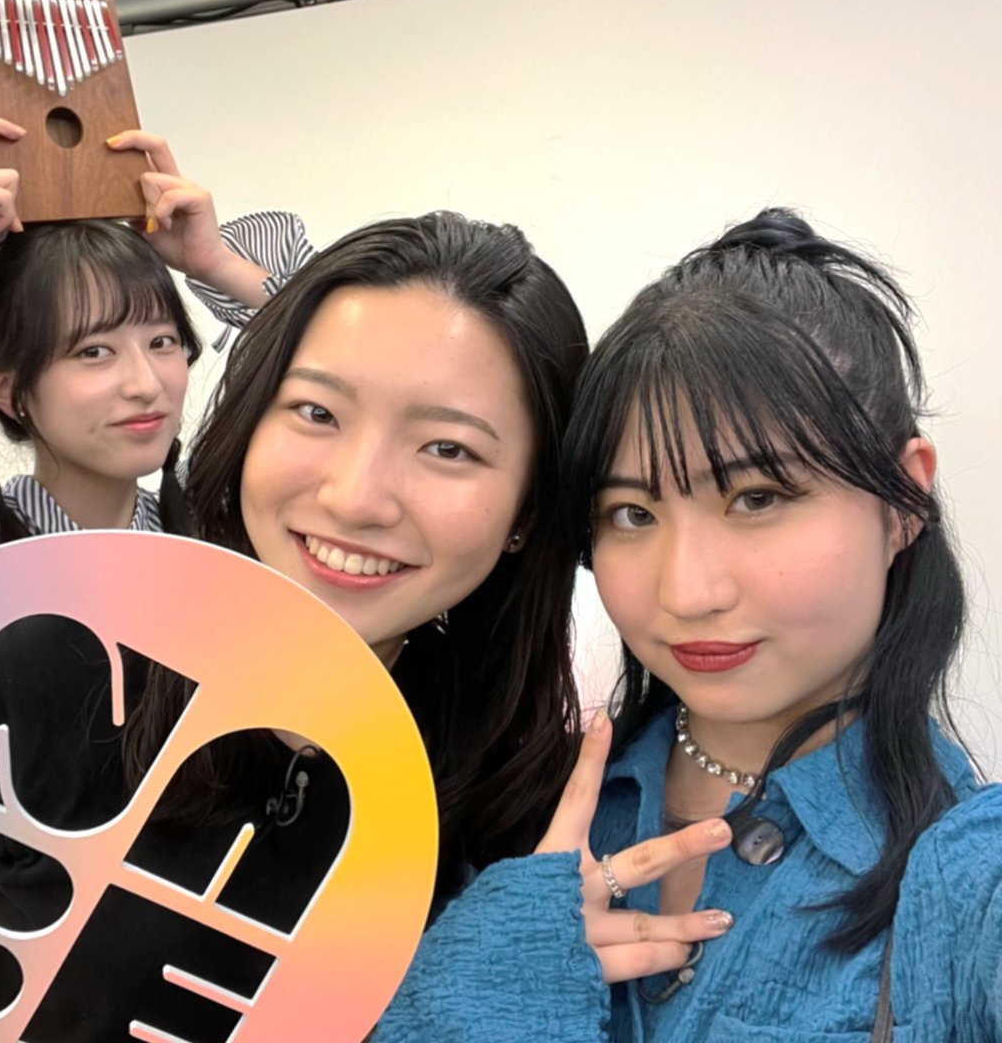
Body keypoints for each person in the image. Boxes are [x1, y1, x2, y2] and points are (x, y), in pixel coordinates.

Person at [0, 211, 736, 1041]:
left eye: (448, 448)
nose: (354, 497)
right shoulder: (60, 650)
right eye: (317, 413)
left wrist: (486, 983)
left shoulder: (524, 798)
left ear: (527, 512)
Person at [371, 208, 1001, 1041]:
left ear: (904, 500)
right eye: (633, 513)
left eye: (758, 498)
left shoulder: (973, 886)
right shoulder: (502, 803)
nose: (689, 591)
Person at [0, 97, 309, 663]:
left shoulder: (220, 523)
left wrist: (220, 265)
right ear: (7, 389)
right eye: (94, 351)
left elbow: (350, 384)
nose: (146, 384)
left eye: (162, 342)